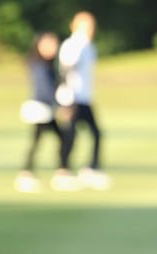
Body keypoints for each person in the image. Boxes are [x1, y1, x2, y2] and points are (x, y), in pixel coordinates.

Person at [15, 32, 76, 193]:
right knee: (46, 139)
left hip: (46, 109)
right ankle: (33, 173)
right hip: (39, 109)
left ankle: (34, 172)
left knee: (49, 139)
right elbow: (45, 90)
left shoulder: (49, 64)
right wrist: (60, 106)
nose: (52, 48)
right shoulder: (38, 64)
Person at [58, 11, 111, 190]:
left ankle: (91, 169)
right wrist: (66, 100)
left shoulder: (89, 46)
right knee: (70, 136)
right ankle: (63, 171)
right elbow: (66, 70)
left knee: (96, 133)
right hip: (71, 98)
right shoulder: (74, 45)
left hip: (84, 97)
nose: (89, 29)